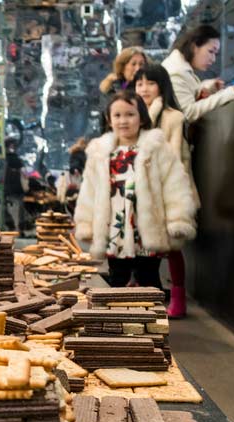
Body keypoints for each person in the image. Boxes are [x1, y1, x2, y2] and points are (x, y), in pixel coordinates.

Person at [75, 91, 197, 290]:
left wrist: (178, 218)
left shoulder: (156, 148)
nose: (124, 120)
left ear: (141, 118)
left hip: (146, 230)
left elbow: (174, 185)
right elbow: (89, 191)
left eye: (130, 114)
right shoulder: (100, 152)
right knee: (117, 280)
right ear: (109, 119)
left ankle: (152, 320)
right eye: (117, 115)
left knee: (149, 281)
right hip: (115, 230)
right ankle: (117, 320)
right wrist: (86, 224)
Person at [134, 64, 200, 317]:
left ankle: (178, 299)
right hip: (144, 193)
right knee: (144, 247)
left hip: (170, 192)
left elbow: (176, 159)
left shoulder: (173, 116)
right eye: (140, 83)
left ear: (162, 85)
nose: (144, 88)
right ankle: (143, 293)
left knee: (172, 248)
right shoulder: (138, 117)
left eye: (150, 83)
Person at [162, 24, 234, 123]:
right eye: (211, 51)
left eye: (215, 54)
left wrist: (206, 89)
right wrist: (230, 93)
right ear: (194, 47)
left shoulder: (182, 67)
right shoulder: (176, 72)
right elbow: (187, 113)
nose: (213, 59)